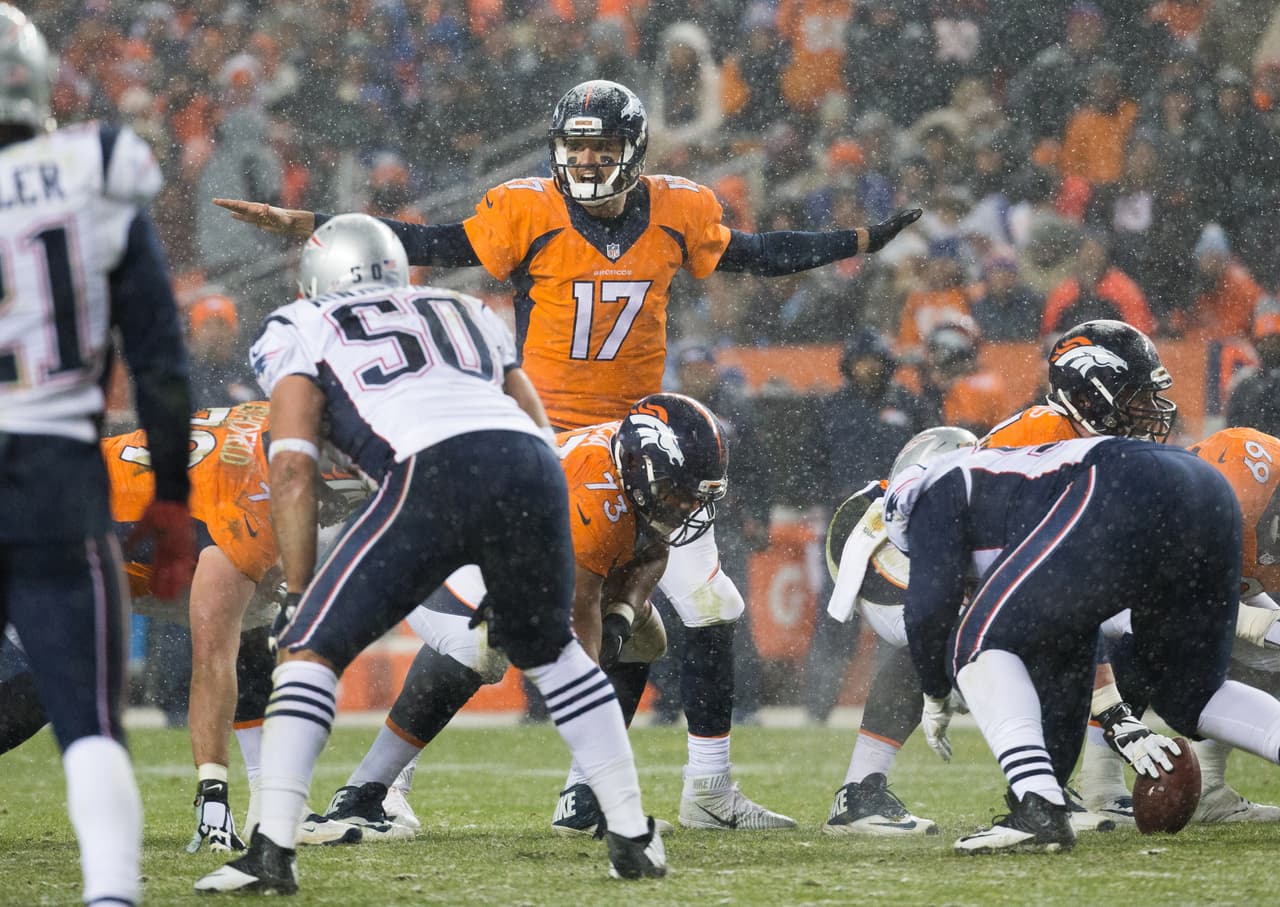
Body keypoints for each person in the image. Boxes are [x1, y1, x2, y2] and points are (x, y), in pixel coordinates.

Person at [213, 78, 921, 829]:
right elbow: (433, 242)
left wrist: (861, 241)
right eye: (575, 146)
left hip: (640, 447)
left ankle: (689, 789)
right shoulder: (529, 209)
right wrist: (318, 227)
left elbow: (758, 254)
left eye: (601, 146)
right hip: (544, 444)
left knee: (698, 606)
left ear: (634, 151)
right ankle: (375, 788)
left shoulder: (678, 209)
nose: (586, 160)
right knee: (480, 634)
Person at [195, 214, 664, 894]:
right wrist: (525, 539)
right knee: (553, 649)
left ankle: (270, 850)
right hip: (533, 465)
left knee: (310, 648)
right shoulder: (464, 308)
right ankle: (631, 832)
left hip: (429, 468)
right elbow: (534, 420)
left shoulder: (299, 327)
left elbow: (292, 465)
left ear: (317, 279)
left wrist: (300, 588)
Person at [305, 393, 729, 840]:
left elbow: (652, 553)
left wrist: (622, 619)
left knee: (644, 636)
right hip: (433, 548)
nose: (687, 507)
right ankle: (359, 796)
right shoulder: (596, 493)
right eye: (680, 493)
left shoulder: (635, 473)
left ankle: (584, 802)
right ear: (644, 468)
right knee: (478, 646)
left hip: (501, 556)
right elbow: (579, 623)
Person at [0, 7, 195, 906]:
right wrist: (168, 494)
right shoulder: (93, 168)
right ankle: (110, 893)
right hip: (51, 470)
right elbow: (157, 355)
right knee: (87, 722)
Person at [884, 435, 1280, 854]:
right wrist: (1051, 779)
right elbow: (1073, 659)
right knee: (1189, 690)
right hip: (1206, 487)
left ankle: (1038, 811)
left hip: (1122, 480)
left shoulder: (932, 497)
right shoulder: (1014, 494)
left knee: (976, 639)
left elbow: (929, 609)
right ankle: (1040, 802)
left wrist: (934, 689)